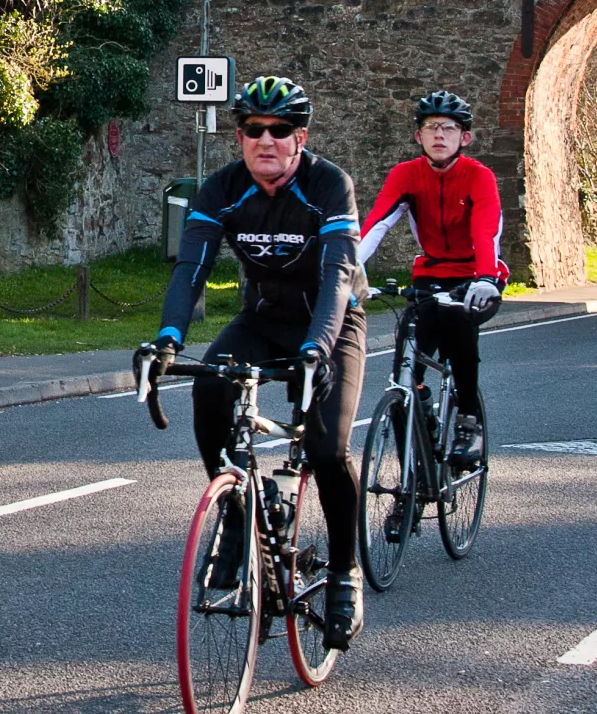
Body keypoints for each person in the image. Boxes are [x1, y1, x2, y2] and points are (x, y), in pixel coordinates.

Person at [144, 75, 369, 650]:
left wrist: (318, 349)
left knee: (326, 448)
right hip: (264, 318)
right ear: (239, 136)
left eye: (280, 130)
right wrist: (168, 340)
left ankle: (345, 573)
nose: (265, 140)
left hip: (332, 324)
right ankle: (237, 511)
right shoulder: (222, 189)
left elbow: (338, 275)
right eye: (252, 130)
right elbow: (190, 268)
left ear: (301, 137)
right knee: (210, 387)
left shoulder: (328, 185)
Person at [357, 89, 506, 467]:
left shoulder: (478, 176)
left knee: (458, 331)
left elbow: (485, 232)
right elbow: (377, 223)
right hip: (430, 272)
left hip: (474, 274)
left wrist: (486, 277)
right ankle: (419, 419)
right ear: (418, 136)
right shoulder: (405, 175)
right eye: (430, 127)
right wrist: (349, 267)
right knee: (407, 357)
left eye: (449, 128)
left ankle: (469, 421)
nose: (439, 135)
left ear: (464, 138)